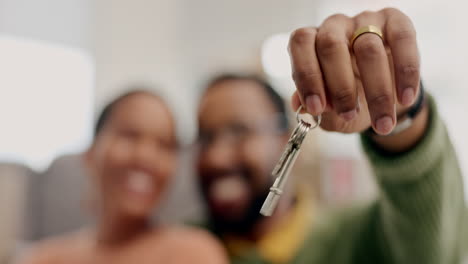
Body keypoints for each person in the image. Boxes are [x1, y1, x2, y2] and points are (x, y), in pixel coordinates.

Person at [196, 8, 466, 264]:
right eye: (205, 137)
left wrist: (401, 113)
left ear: (284, 139)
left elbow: (431, 247)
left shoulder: (360, 239)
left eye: (238, 132)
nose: (216, 157)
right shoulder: (173, 247)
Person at [19, 90, 227, 264]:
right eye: (130, 135)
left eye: (165, 145)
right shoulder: (41, 258)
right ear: (91, 154)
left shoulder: (195, 253)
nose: (146, 157)